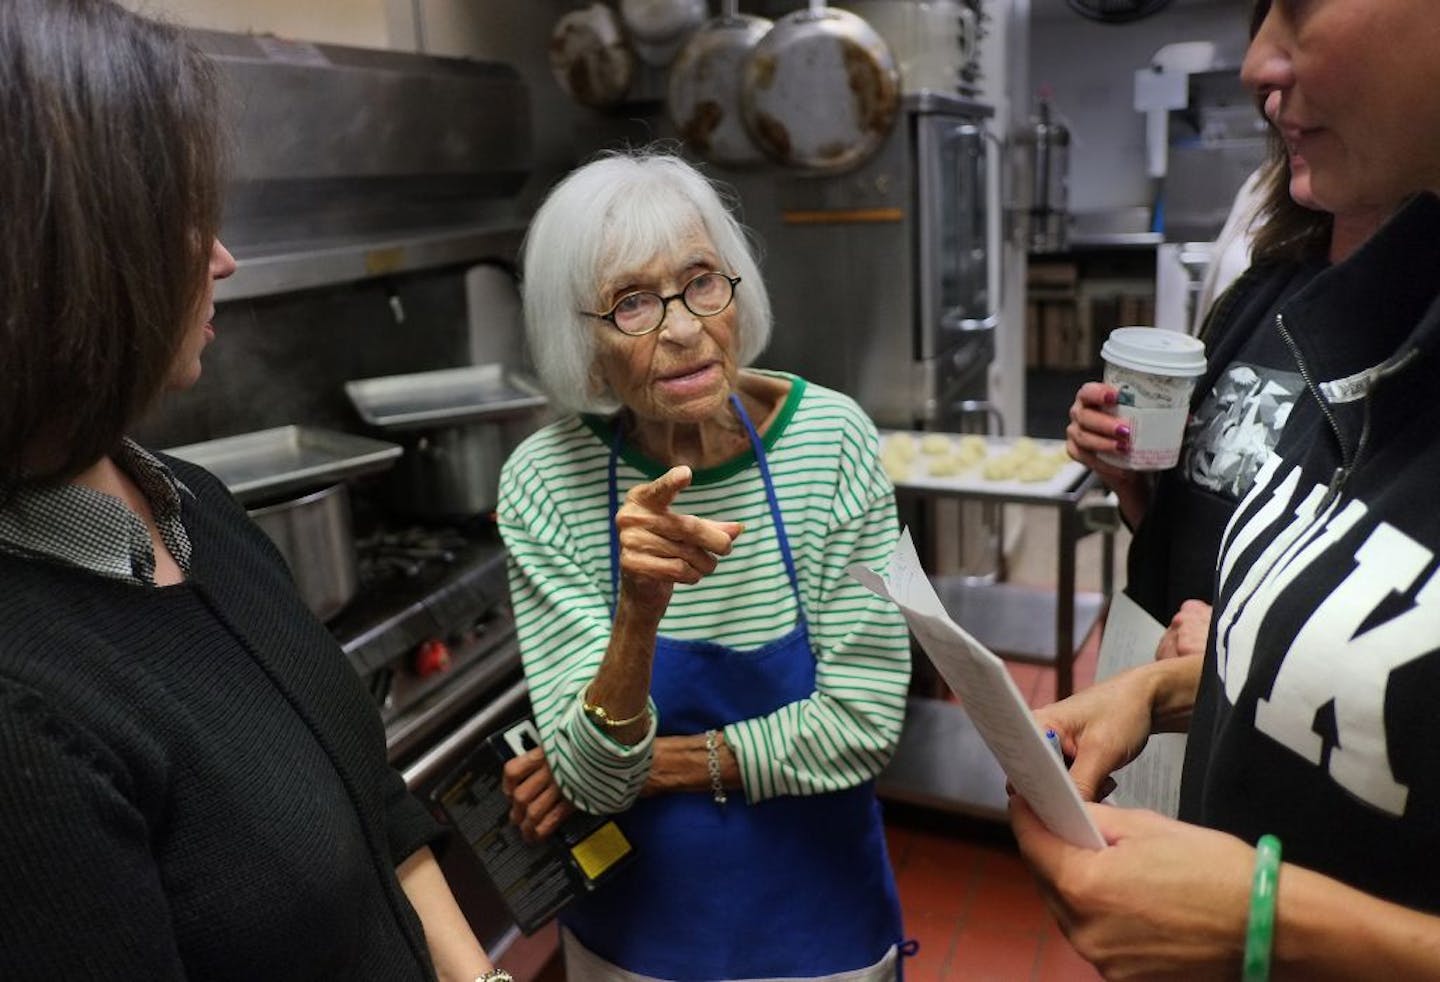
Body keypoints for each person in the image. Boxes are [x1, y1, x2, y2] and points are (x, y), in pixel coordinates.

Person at [0, 3, 506, 979]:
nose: (222, 255)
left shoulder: (192, 501)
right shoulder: (27, 723)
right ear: (64, 265)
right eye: (180, 221)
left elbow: (376, 797)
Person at [1012, 0, 1440, 976]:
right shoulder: (1343, 329)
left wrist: (1269, 921)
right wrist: (1173, 685)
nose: (1255, 63)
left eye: (1298, 5)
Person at [496, 150, 912, 980]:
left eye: (702, 282)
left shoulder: (833, 442)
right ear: (580, 336)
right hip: (634, 940)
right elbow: (585, 777)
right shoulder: (545, 481)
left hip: (819, 928)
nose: (683, 327)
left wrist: (658, 768)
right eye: (632, 303)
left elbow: (865, 724)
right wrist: (637, 613)